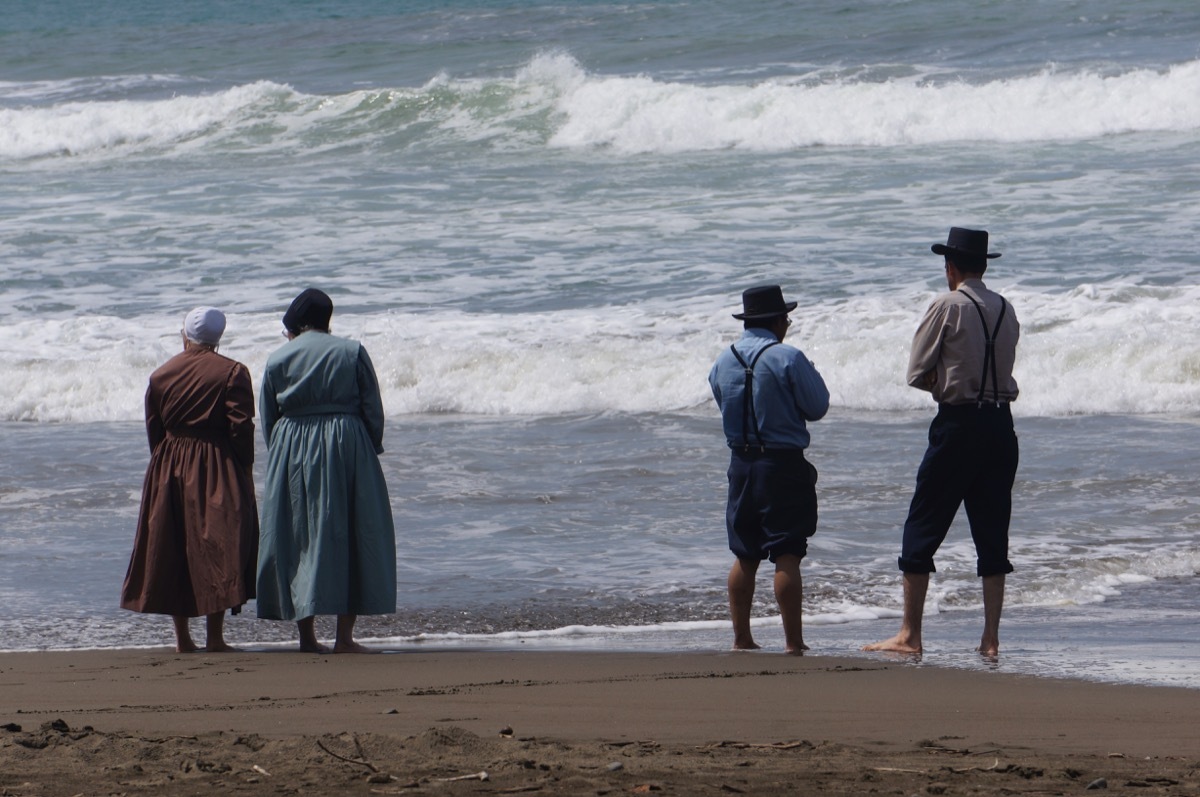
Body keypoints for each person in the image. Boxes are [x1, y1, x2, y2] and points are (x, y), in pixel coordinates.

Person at [865, 227, 1020, 657]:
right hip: (1001, 427)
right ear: (984, 266)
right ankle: (990, 639)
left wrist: (941, 382)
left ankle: (910, 635)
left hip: (958, 425)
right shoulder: (1007, 309)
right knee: (992, 534)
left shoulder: (947, 305)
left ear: (950, 266)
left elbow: (916, 371)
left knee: (922, 526)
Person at [256, 288, 396, 653]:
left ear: (296, 324)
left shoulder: (277, 358)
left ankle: (307, 637)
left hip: (293, 445)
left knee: (299, 536)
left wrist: (282, 454)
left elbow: (269, 418)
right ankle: (345, 639)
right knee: (350, 531)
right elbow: (372, 408)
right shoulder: (351, 351)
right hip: (346, 441)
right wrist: (369, 446)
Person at [121, 307, 259, 653]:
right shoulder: (232, 371)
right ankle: (215, 638)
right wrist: (245, 467)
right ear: (218, 339)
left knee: (173, 545)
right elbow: (241, 428)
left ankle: (183, 638)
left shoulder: (160, 374)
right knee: (218, 544)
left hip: (169, 464)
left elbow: (154, 429)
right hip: (215, 462)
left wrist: (163, 464)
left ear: (185, 336)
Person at [709, 285, 830, 655]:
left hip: (741, 464)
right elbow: (818, 406)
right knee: (787, 552)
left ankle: (741, 637)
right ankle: (794, 641)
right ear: (778, 321)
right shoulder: (787, 357)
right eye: (787, 319)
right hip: (781, 464)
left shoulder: (723, 360)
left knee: (745, 553)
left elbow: (720, 399)